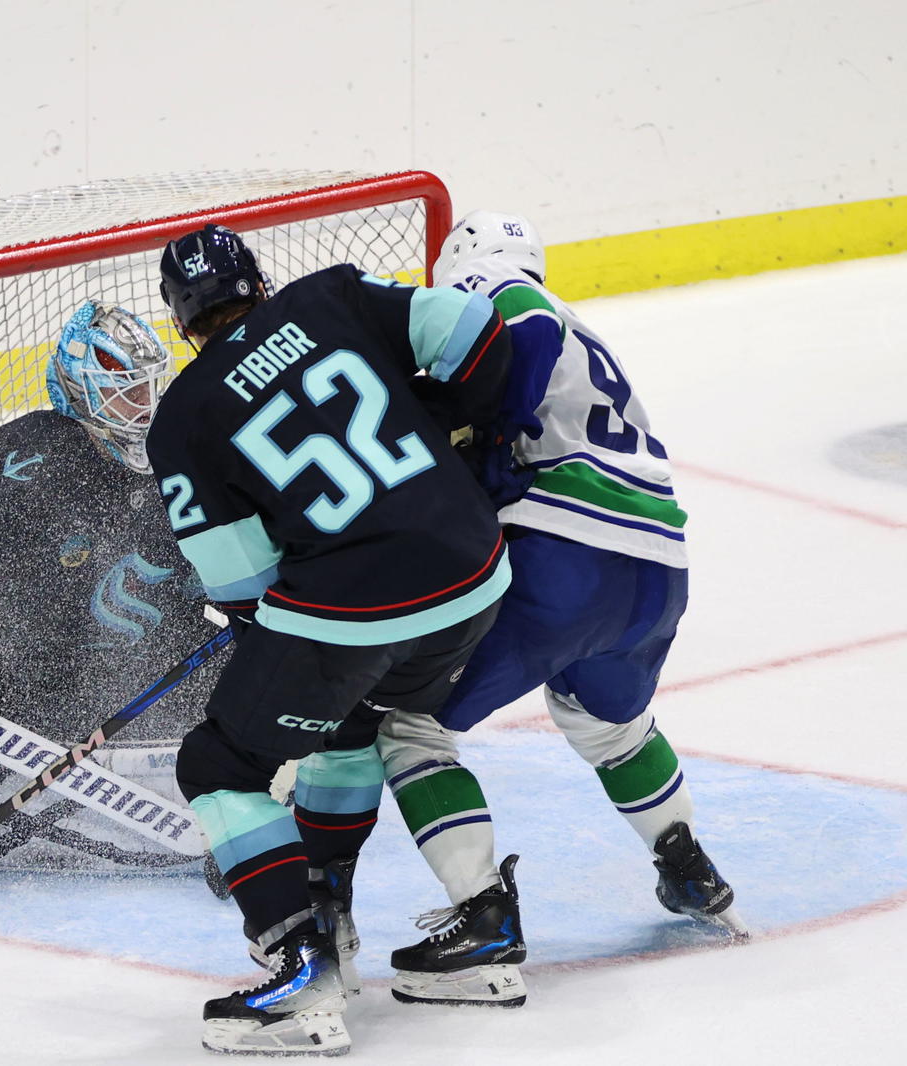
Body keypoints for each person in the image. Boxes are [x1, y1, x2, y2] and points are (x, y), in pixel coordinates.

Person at [147, 223, 514, 1056]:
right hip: (476, 575)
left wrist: (280, 648)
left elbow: (239, 587)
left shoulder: (184, 419)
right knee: (355, 724)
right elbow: (474, 333)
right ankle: (354, 923)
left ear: (180, 319)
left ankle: (301, 968)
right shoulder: (332, 297)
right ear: (260, 283)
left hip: (356, 610)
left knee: (217, 763)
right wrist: (448, 428)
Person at [368, 209, 744, 1010]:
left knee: (407, 725)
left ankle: (482, 921)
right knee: (612, 728)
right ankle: (688, 867)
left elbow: (521, 325)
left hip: (566, 558)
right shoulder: (590, 337)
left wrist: (494, 433)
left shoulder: (501, 294)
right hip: (660, 571)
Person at [0, 298, 223, 871]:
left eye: (150, 389)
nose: (144, 407)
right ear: (81, 389)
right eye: (126, 391)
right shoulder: (39, 458)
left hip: (66, 622)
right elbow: (22, 609)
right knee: (33, 672)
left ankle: (244, 808)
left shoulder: (168, 456)